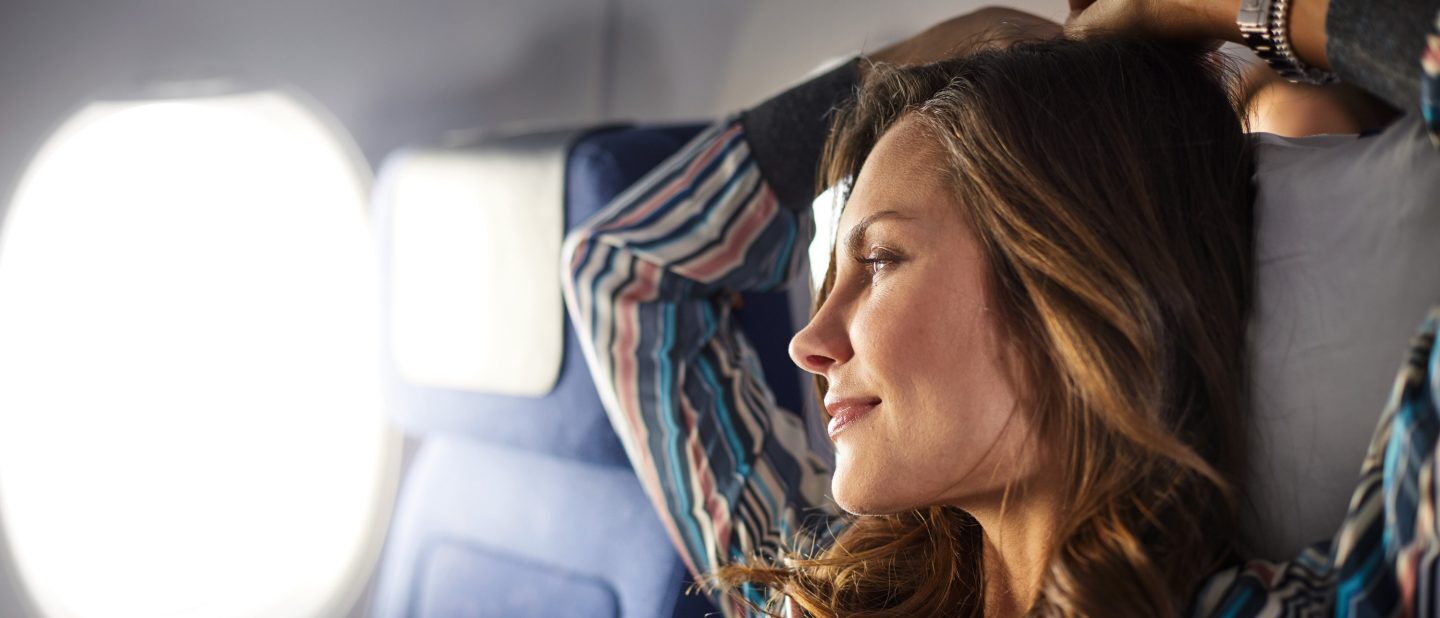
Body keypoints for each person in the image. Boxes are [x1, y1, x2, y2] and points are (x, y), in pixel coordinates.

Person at [560, 0, 1440, 615]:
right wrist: (923, 65)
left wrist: (1211, 5)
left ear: (1069, 282)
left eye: (878, 261)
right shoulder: (824, 601)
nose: (808, 341)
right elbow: (627, 270)